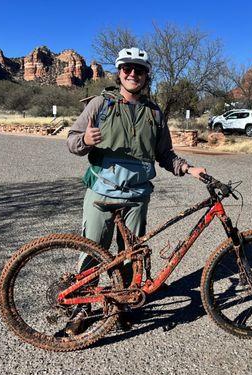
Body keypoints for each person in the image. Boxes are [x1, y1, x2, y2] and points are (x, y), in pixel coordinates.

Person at [65, 47, 206, 335]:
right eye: (127, 68)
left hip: (135, 196)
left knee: (130, 253)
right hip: (101, 192)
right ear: (119, 73)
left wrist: (188, 169)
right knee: (93, 248)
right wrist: (86, 141)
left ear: (145, 76)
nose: (132, 74)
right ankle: (82, 305)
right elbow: (72, 141)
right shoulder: (99, 105)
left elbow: (164, 154)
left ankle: (123, 303)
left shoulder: (154, 113)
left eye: (138, 70)